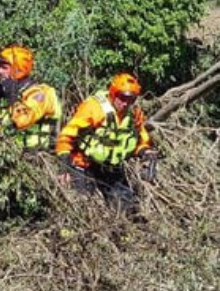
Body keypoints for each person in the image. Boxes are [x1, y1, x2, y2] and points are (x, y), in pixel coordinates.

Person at [55, 72, 157, 210]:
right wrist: (64, 166)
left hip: (110, 166)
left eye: (131, 99)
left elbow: (141, 139)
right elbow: (67, 135)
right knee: (82, 207)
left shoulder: (134, 114)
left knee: (128, 209)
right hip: (84, 163)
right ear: (113, 93)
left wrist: (146, 152)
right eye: (122, 97)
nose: (126, 103)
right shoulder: (93, 108)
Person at [0, 45, 62, 151]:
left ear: (18, 69)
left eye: (4, 68)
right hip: (5, 152)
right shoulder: (8, 91)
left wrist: (11, 97)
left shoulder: (39, 94)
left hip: (34, 157)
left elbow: (23, 121)